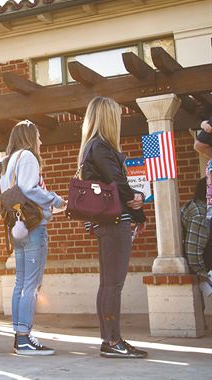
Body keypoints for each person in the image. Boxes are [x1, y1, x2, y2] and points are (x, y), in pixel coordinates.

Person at [78, 96, 148, 359]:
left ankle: (110, 339)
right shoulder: (102, 147)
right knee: (112, 285)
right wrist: (138, 207)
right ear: (108, 118)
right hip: (114, 223)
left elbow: (115, 185)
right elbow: (118, 184)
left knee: (107, 284)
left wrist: (133, 200)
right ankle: (112, 340)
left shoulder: (91, 147)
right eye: (116, 116)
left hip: (105, 222)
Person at [0, 120, 66, 355]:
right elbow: (30, 188)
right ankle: (25, 338)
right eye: (38, 135)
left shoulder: (9, 162)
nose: (41, 141)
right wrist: (55, 200)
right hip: (33, 226)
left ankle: (20, 337)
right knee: (31, 284)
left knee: (21, 283)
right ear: (29, 137)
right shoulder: (28, 157)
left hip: (18, 227)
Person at [181, 178, 211, 277]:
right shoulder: (200, 214)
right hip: (205, 271)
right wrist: (204, 276)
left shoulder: (199, 205)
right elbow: (193, 251)